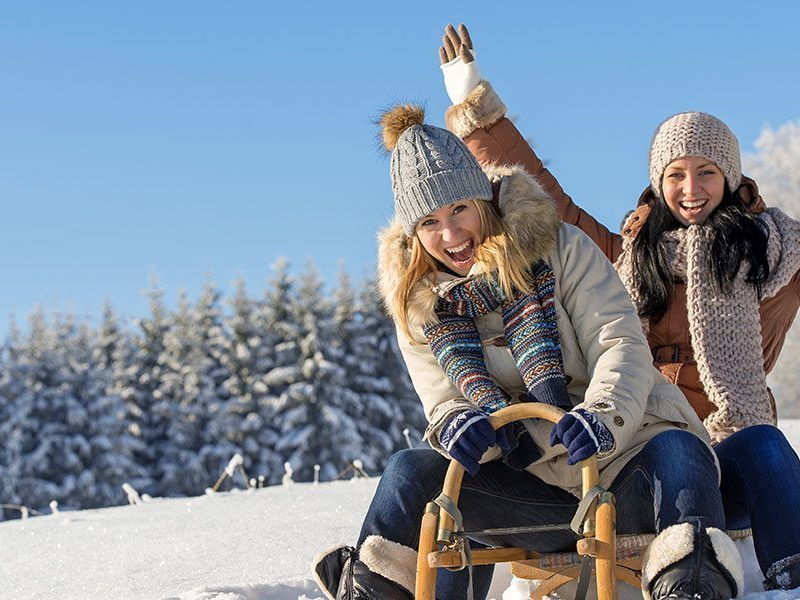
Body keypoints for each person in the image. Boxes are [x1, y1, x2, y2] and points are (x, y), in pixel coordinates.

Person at [433, 24, 800, 591]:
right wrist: (474, 102)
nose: (691, 188)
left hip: (726, 460)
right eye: (675, 175)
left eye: (706, 172)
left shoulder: (776, 260)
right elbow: (549, 199)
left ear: (730, 179)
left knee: (766, 445)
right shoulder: (621, 257)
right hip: (636, 456)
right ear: (657, 185)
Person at [313, 105, 747, 600]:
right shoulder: (419, 305)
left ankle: (691, 580)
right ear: (413, 234)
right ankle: (371, 590)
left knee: (679, 446)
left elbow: (619, 341)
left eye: (459, 209)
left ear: (484, 200)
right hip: (533, 496)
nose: (451, 235)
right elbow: (442, 399)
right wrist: (459, 422)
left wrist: (600, 415)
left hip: (626, 467)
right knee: (409, 471)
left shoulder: (560, 246)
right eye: (431, 222)